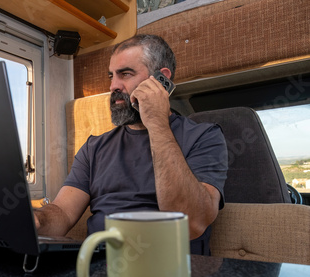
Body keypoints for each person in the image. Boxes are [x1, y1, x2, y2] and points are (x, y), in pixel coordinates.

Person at [35, 34, 228, 255]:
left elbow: (190, 223)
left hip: (169, 273)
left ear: (160, 79)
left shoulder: (205, 136)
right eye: (111, 76)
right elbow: (63, 212)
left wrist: (156, 122)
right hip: (99, 271)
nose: (113, 86)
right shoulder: (93, 148)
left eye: (125, 74)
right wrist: (38, 220)